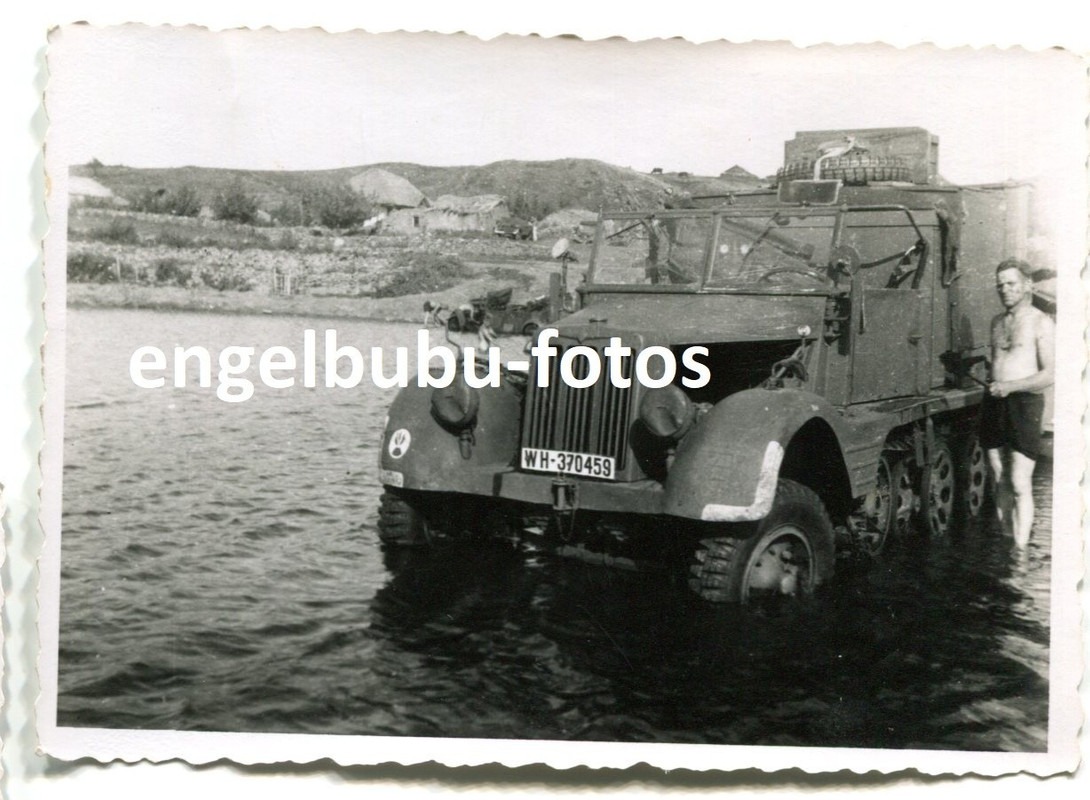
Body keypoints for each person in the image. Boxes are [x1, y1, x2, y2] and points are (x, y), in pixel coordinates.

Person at [980, 258, 1054, 548]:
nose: (1004, 290)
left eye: (1011, 283)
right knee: (999, 476)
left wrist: (1010, 386)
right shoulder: (997, 323)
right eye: (1000, 285)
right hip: (994, 401)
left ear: (1027, 285)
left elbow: (1050, 374)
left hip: (1024, 404)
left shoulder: (1041, 322)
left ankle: (1021, 554)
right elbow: (999, 362)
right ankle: (1007, 544)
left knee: (1020, 482)